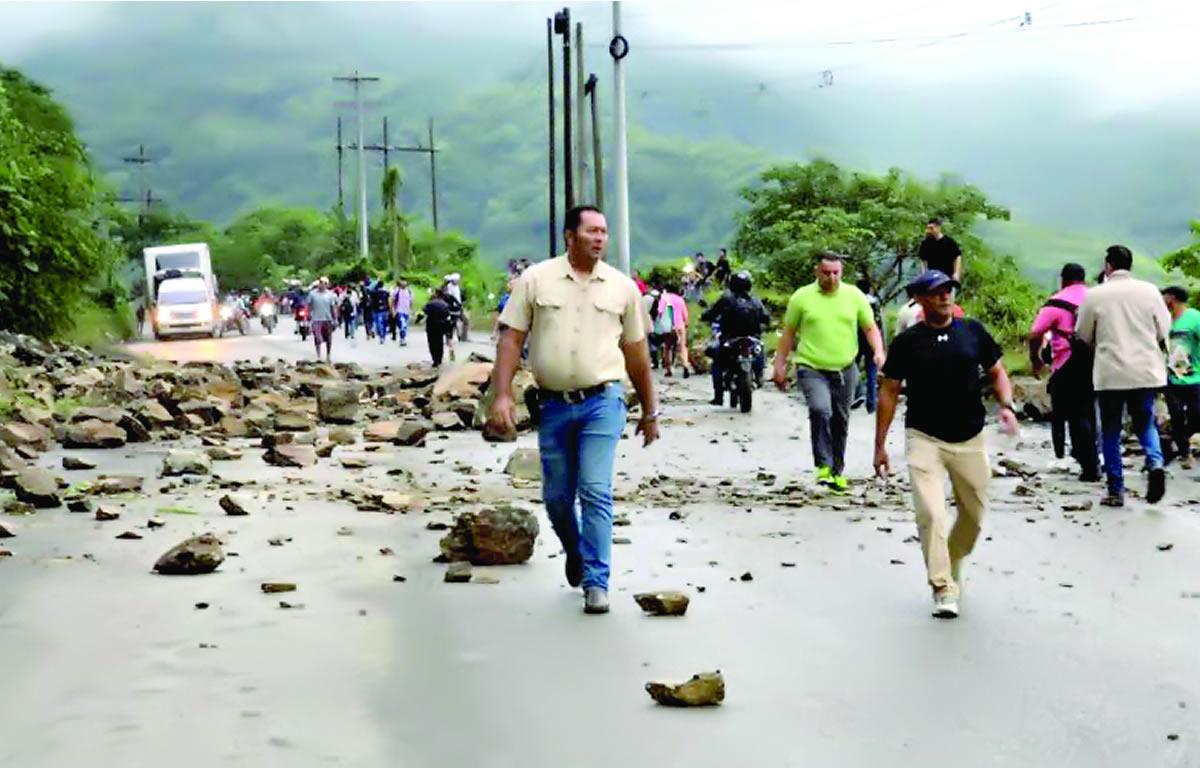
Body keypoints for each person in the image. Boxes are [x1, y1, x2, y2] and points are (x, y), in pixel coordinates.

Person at [487, 204, 658, 616]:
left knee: (595, 490)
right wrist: (502, 394)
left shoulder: (622, 288)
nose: (599, 238)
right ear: (570, 235)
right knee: (558, 498)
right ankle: (575, 550)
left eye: (604, 232)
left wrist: (650, 411)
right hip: (554, 405)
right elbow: (511, 340)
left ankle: (597, 582)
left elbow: (637, 353)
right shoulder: (536, 280)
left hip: (603, 401)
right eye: (591, 231)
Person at [875, 269, 1018, 620]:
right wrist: (879, 445)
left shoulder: (972, 331)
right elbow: (889, 391)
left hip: (969, 436)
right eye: (937, 292)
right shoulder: (908, 342)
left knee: (974, 516)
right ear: (920, 299)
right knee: (932, 513)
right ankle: (942, 587)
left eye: (949, 290)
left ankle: (952, 560)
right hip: (924, 437)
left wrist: (1007, 406)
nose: (945, 296)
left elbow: (997, 371)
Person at [773, 253, 885, 493]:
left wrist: (878, 351)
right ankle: (823, 465)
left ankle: (836, 472)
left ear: (841, 273)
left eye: (836, 273)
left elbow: (869, 327)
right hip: (811, 367)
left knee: (841, 420)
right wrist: (779, 365)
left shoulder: (854, 295)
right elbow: (789, 334)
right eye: (826, 273)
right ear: (817, 272)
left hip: (846, 368)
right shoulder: (802, 297)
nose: (831, 277)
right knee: (820, 409)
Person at [1075, 245, 1172, 507]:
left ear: (1108, 266)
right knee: (1145, 422)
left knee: (1110, 430)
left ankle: (1116, 490)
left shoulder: (1095, 295)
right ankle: (1155, 462)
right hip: (1145, 371)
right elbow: (1164, 329)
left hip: (1110, 373)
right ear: (1130, 265)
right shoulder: (1150, 291)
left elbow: (1082, 333)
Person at [1027, 263, 1099, 480]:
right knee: (1089, 412)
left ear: (1063, 279)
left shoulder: (1055, 303)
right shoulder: (1096, 298)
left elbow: (1035, 334)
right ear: (1084, 279)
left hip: (1067, 363)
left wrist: (1035, 359)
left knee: (1073, 416)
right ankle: (1094, 457)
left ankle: (1088, 465)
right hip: (1098, 362)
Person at [701, 270, 770, 404]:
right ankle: (760, 376)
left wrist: (704, 316)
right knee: (760, 350)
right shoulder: (755, 301)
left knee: (717, 363)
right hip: (752, 339)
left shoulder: (726, 299)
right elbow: (766, 318)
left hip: (729, 339)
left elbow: (710, 314)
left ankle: (718, 396)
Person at [1162, 286, 1200, 469]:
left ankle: (1176, 441)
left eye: (1165, 297)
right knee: (1176, 415)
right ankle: (1185, 453)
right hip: (1170, 377)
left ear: (1173, 298)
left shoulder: (1194, 317)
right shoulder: (1165, 320)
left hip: (1194, 375)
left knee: (1196, 414)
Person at [854, 277, 883, 413]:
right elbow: (879, 324)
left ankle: (855, 396)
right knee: (871, 372)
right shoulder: (875, 302)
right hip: (871, 341)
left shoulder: (854, 302)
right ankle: (871, 404)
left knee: (853, 369)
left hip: (856, 340)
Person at [918, 217, 963, 282]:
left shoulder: (949, 242)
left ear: (938, 228)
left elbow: (957, 256)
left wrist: (956, 273)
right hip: (932, 277)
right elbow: (922, 259)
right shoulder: (926, 243)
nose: (929, 231)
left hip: (947, 276)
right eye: (928, 228)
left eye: (931, 228)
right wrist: (923, 273)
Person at [418, 288, 453, 367]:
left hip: (431, 325)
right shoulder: (445, 305)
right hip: (441, 325)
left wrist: (417, 321)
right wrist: (449, 329)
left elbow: (422, 313)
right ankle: (439, 358)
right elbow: (448, 317)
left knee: (432, 343)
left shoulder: (430, 304)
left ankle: (435, 359)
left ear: (436, 294)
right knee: (439, 342)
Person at [306, 276, 337, 362]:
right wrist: (307, 317)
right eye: (321, 283)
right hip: (316, 319)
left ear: (327, 285)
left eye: (324, 283)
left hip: (327, 319)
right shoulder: (312, 294)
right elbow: (308, 306)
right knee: (318, 338)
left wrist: (335, 319)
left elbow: (333, 307)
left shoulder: (330, 295)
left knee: (328, 339)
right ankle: (318, 356)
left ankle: (328, 355)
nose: (322, 285)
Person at [649, 284, 678, 375]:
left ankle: (662, 363)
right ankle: (668, 364)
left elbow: (654, 313)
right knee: (670, 346)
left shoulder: (660, 302)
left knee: (664, 346)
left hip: (662, 326)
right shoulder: (673, 300)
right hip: (670, 325)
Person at [665, 284, 692, 378]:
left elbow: (660, 313)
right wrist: (686, 323)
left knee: (668, 348)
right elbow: (685, 314)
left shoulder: (664, 299)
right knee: (682, 347)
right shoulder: (680, 300)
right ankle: (685, 365)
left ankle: (669, 370)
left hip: (668, 327)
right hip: (680, 326)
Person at [392, 279, 413, 347]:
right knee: (402, 325)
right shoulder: (397, 291)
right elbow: (392, 301)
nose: (404, 283)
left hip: (406, 311)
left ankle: (402, 338)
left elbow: (411, 302)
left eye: (405, 282)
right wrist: (393, 310)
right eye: (402, 282)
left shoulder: (409, 291)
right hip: (399, 311)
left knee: (404, 326)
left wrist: (411, 311)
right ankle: (402, 339)